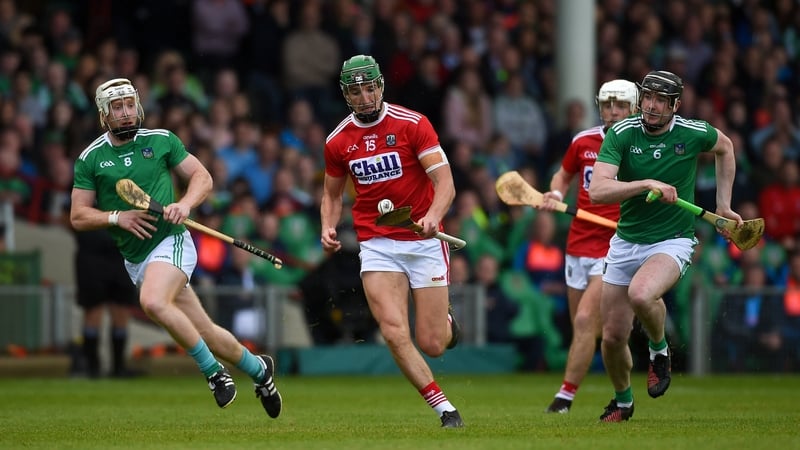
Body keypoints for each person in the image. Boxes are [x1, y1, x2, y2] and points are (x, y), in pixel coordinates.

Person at [70, 78, 282, 417]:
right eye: (117, 108)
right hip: (136, 259)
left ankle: (214, 374)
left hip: (173, 241)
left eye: (129, 105)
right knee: (207, 332)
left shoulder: (161, 140)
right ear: (104, 115)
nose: (125, 113)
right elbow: (78, 215)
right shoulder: (91, 158)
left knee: (152, 301)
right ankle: (261, 371)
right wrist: (116, 217)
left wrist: (184, 204)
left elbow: (203, 178)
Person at [588, 70, 743, 422]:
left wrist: (723, 205)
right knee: (612, 338)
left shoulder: (692, 132)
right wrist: (644, 183)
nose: (652, 106)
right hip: (626, 241)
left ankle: (659, 349)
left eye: (661, 100)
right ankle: (623, 402)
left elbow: (726, 147)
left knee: (641, 294)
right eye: (648, 98)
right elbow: (598, 191)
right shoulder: (622, 133)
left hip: (672, 241)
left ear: (675, 105)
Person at [320, 55, 464, 428]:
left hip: (423, 240)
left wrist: (433, 215)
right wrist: (328, 225)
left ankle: (446, 322)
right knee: (392, 330)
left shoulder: (412, 124)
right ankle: (444, 409)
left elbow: (444, 182)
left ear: (381, 86)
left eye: (371, 88)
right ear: (345, 94)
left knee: (432, 343)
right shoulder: (337, 141)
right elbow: (332, 195)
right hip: (377, 242)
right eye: (356, 91)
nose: (365, 97)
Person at [540, 79, 639, 413]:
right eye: (608, 104)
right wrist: (555, 193)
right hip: (577, 245)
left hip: (615, 248)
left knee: (585, 322)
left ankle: (563, 399)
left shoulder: (638, 147)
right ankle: (623, 395)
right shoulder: (583, 141)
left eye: (620, 105)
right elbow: (563, 175)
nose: (613, 111)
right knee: (597, 333)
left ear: (633, 109)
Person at [73, 228, 141, 378]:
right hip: (91, 256)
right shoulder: (87, 203)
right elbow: (70, 217)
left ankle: (118, 367)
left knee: (121, 311)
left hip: (121, 255)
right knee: (93, 311)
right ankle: (92, 367)